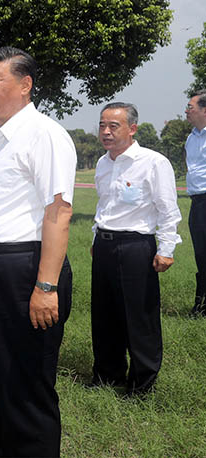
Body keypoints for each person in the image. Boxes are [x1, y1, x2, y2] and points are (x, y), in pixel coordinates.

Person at [0, 47, 75, 458]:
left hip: (23, 268)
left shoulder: (43, 134)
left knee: (26, 382)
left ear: (25, 85)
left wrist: (46, 285)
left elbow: (59, 212)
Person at [91, 103, 181, 395]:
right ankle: (108, 375)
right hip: (105, 245)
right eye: (102, 125)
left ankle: (142, 384)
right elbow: (104, 205)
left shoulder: (153, 162)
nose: (106, 132)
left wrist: (166, 248)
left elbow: (167, 209)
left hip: (135, 246)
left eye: (113, 126)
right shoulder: (103, 163)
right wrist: (96, 238)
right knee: (105, 315)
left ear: (132, 129)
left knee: (139, 317)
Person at [185, 90, 206, 316]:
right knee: (200, 253)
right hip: (197, 202)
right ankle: (201, 302)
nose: (186, 111)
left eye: (191, 107)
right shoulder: (192, 138)